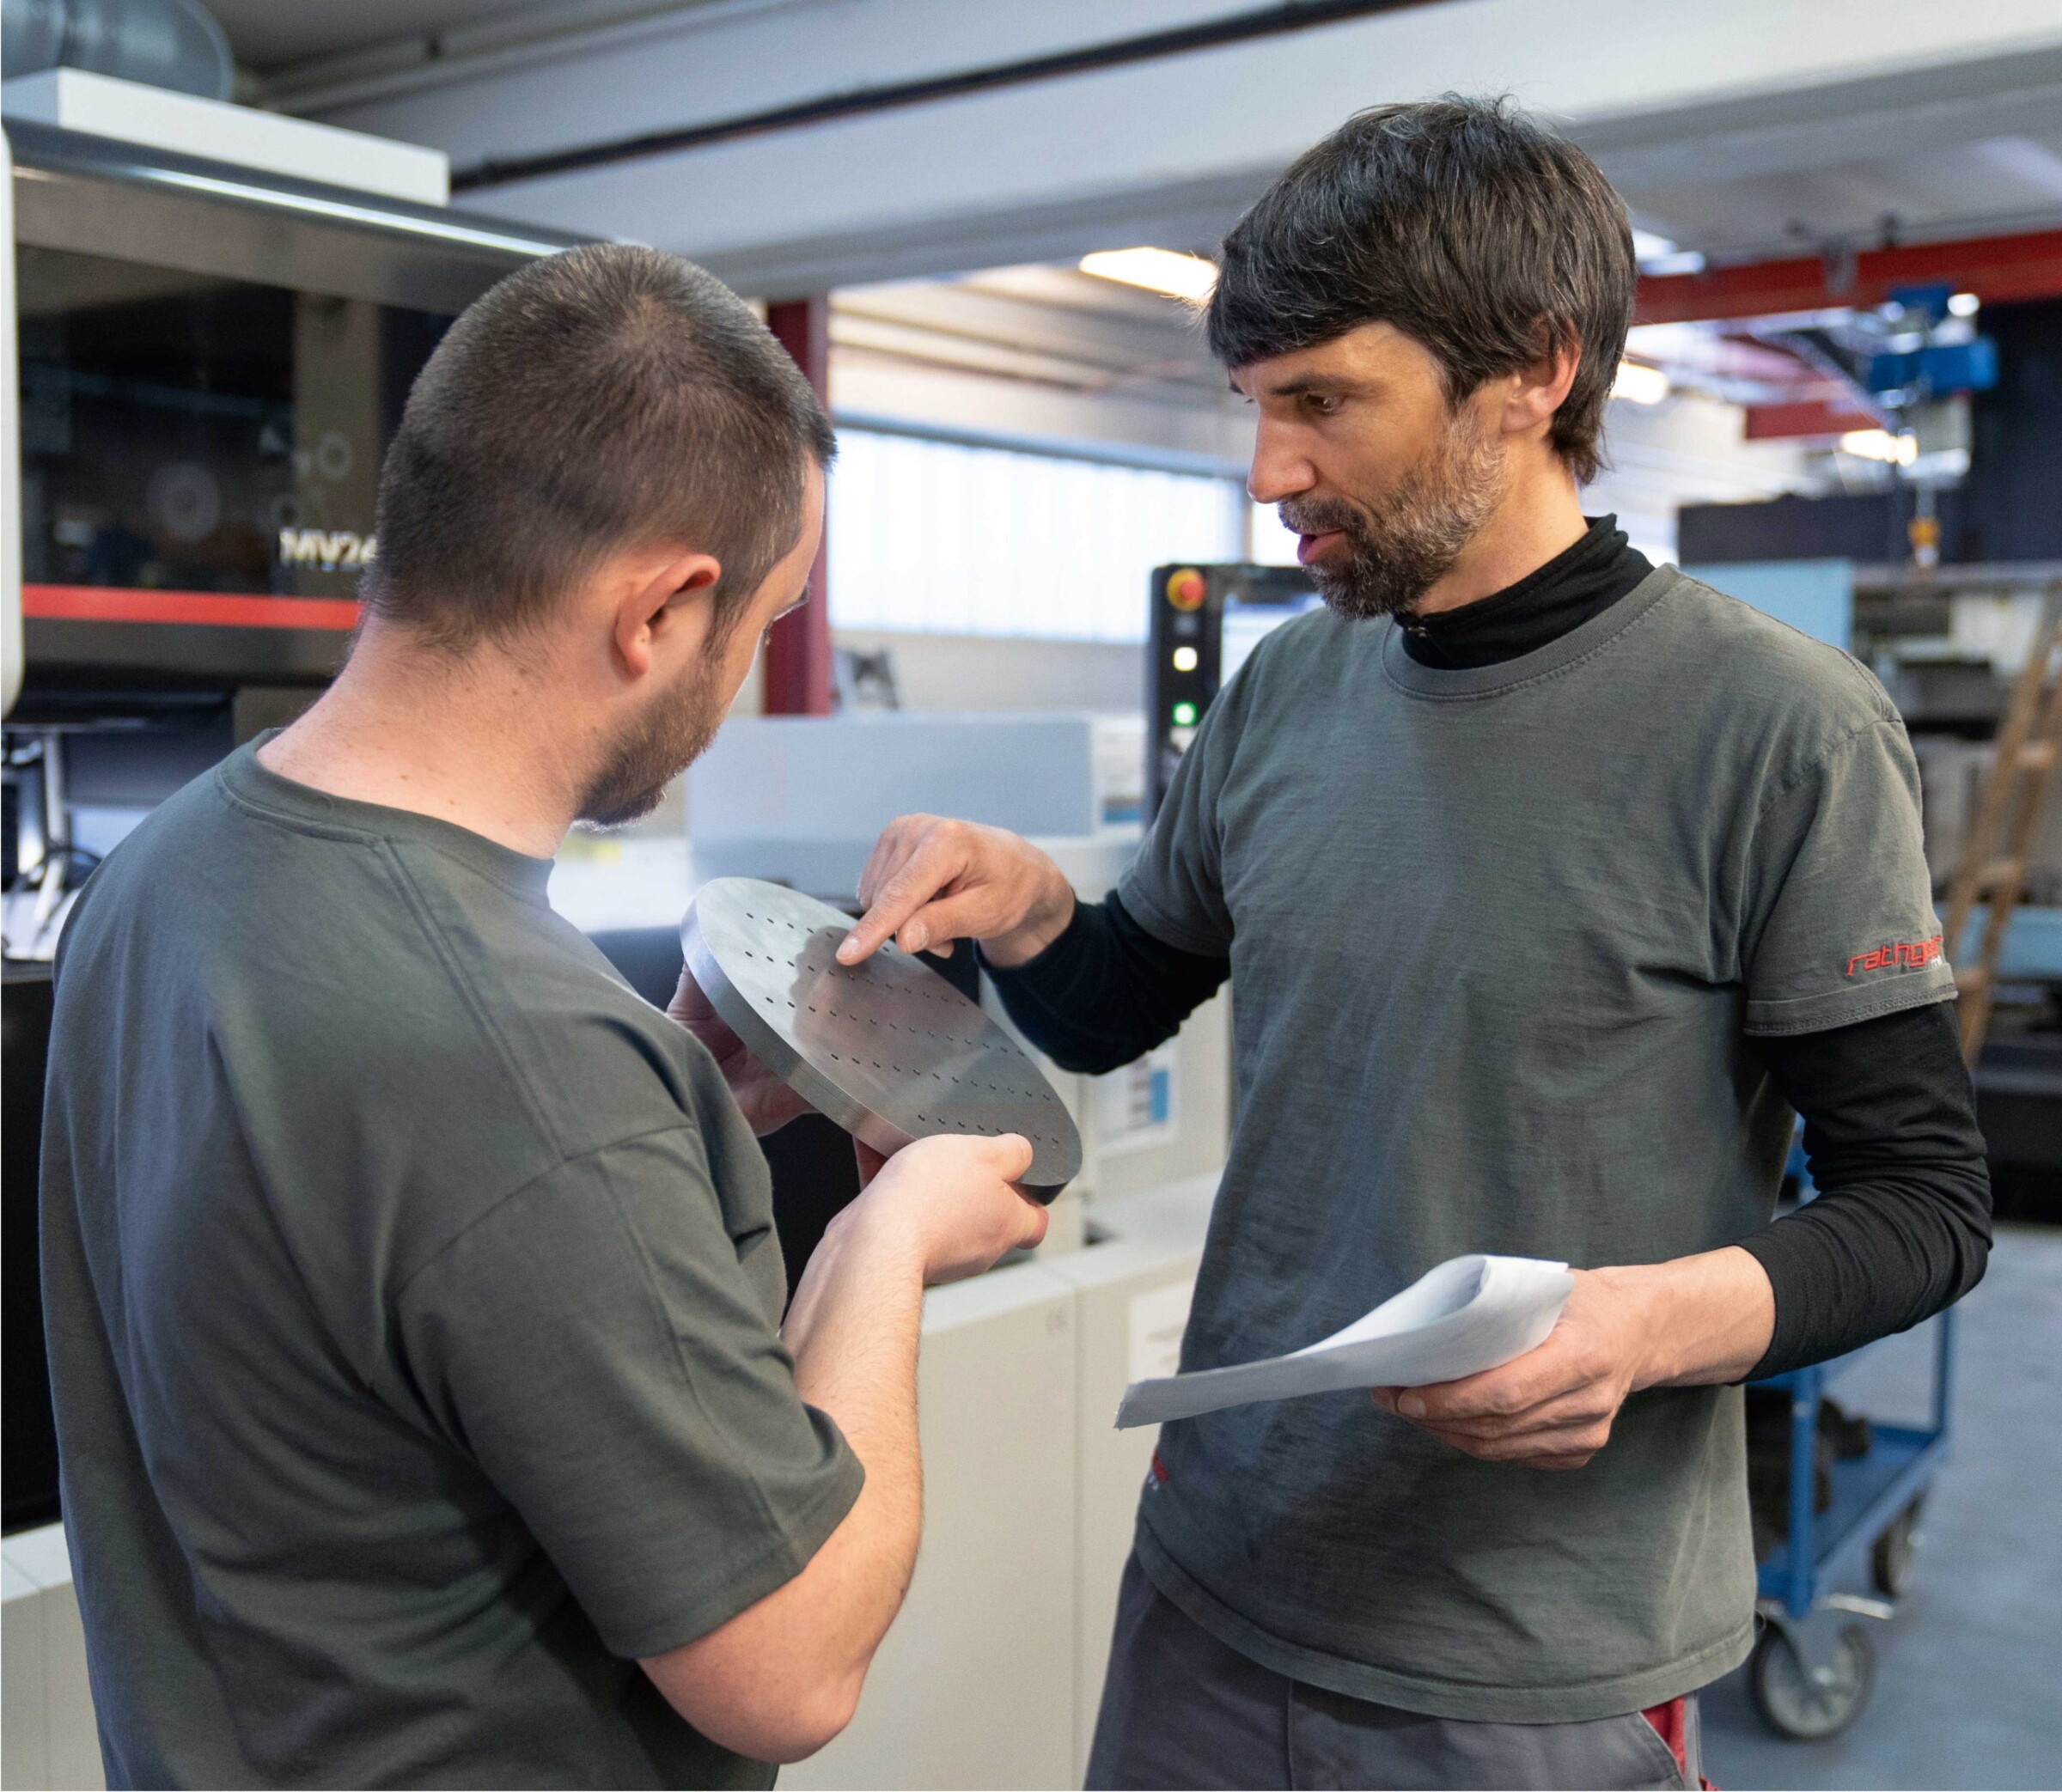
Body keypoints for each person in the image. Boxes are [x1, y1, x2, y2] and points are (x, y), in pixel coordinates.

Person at [828, 99, 1992, 1789]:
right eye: (1255, 405)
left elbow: (1923, 1205)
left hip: (1534, 1655)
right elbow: (1111, 1003)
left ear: (1532, 370)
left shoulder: (1777, 728)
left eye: (1322, 403)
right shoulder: (1287, 688)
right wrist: (1025, 905)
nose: (1268, 471)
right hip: (1213, 1578)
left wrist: (1649, 1323)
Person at [40, 245, 1047, 1790]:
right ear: (659, 610)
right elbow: (789, 1660)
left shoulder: (164, 872)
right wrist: (888, 1236)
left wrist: (649, 1107)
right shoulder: (528, 1063)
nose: (743, 678)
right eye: (767, 624)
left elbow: (378, 1274)